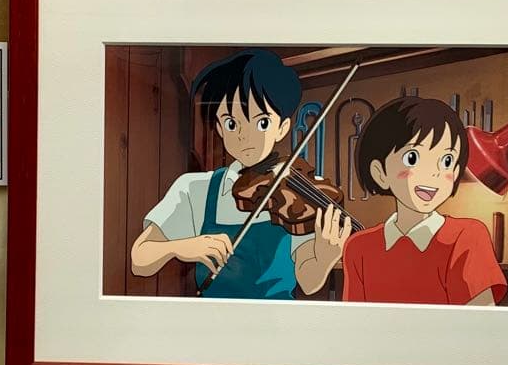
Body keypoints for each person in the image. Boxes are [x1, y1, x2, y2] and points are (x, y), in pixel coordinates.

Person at [130, 49, 350, 299]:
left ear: (282, 127)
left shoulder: (296, 197)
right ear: (219, 128)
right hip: (213, 317)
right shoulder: (195, 189)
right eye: (232, 123)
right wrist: (182, 246)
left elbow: (308, 282)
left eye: (261, 122)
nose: (245, 135)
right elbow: (140, 259)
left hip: (276, 319)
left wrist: (324, 257)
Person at [342, 96, 506, 305]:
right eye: (413, 158)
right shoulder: (359, 247)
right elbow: (354, 320)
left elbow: (480, 320)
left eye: (446, 161)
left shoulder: (467, 237)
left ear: (456, 171)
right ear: (380, 172)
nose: (433, 173)